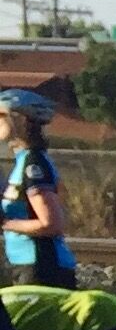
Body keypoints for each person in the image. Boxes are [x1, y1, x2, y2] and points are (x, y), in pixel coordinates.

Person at [1, 90, 76, 289]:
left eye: (1, 115)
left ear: (20, 120)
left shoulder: (33, 164)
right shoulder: (22, 161)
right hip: (24, 264)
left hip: (41, 266)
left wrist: (5, 223)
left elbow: (51, 224)